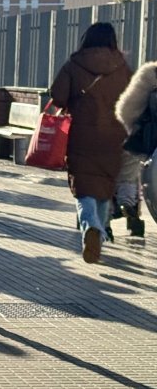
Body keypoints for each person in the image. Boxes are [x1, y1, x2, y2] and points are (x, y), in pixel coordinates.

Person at [50, 22, 131, 264]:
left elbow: (58, 96)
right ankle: (101, 230)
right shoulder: (122, 67)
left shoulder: (74, 64)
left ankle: (91, 227)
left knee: (83, 187)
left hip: (82, 135)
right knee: (105, 186)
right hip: (114, 136)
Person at [114, 59, 156, 238]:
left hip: (148, 145)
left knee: (126, 175)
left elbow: (125, 110)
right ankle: (129, 211)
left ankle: (123, 208)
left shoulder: (151, 74)